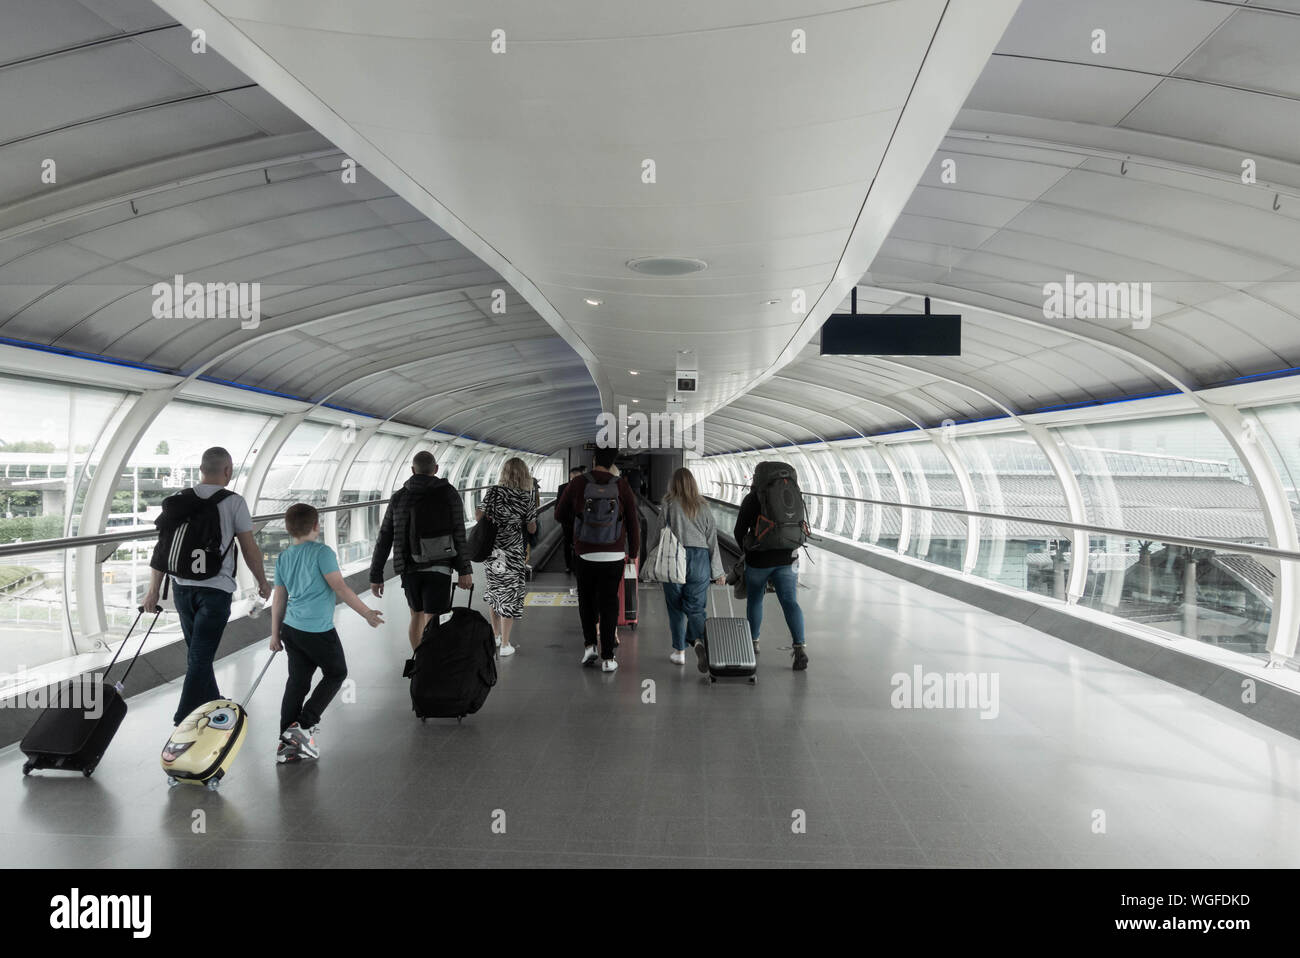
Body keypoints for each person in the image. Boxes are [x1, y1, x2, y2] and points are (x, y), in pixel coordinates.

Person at [144, 446, 272, 727]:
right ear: (228, 471)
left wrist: (153, 590)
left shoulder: (178, 500)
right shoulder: (234, 502)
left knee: (198, 654)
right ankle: (184, 719)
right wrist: (262, 581)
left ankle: (212, 700)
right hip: (215, 590)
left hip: (181, 588)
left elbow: (162, 548)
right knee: (200, 656)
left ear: (201, 470)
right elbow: (249, 548)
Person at [270, 503, 384, 763]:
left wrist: (274, 634)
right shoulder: (323, 552)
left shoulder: (284, 557)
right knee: (336, 673)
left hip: (292, 629)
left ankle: (286, 742)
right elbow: (340, 588)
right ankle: (304, 724)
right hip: (318, 629)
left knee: (297, 682)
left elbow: (279, 598)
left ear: (288, 529)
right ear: (316, 526)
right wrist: (366, 613)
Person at [369, 451, 473, 652]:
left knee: (416, 614)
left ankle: (419, 661)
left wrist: (376, 575)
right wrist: (464, 570)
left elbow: (385, 537)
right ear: (435, 469)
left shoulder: (399, 497)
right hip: (440, 564)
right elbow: (459, 533)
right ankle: (432, 663)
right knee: (434, 617)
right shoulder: (448, 493)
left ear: (412, 470)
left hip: (408, 567)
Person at [555, 446, 639, 672]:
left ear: (593, 460)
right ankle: (609, 657)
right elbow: (633, 521)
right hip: (614, 553)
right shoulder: (621, 484)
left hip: (585, 552)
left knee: (587, 600)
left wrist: (577, 523)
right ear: (613, 462)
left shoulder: (578, 483)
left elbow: (558, 514)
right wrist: (633, 552)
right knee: (609, 602)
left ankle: (590, 646)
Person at [646, 467, 725, 665]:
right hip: (700, 560)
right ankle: (700, 643)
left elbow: (659, 533)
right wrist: (719, 573)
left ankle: (679, 652)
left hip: (674, 558)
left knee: (675, 608)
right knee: (696, 608)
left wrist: (651, 556)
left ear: (673, 484)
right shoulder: (704, 506)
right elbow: (712, 541)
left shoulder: (669, 504)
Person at [734, 468, 808, 670]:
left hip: (759, 560)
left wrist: (747, 551)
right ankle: (800, 647)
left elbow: (738, 531)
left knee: (755, 599)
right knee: (790, 601)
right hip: (787, 557)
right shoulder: (793, 494)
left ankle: (753, 641)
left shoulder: (752, 499)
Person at [474, 457, 537, 657]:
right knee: (509, 593)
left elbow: (478, 516)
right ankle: (505, 644)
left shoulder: (494, 491)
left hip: (494, 551)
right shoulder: (527, 495)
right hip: (513, 552)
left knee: (495, 590)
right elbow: (531, 527)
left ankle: (496, 635)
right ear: (524, 474)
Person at [556, 465, 585, 572]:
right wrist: (563, 520)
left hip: (582, 522)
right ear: (570, 477)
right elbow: (558, 506)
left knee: (581, 543)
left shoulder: (587, 487)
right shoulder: (563, 488)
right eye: (573, 478)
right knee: (567, 543)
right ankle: (569, 565)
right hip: (567, 522)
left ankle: (579, 564)